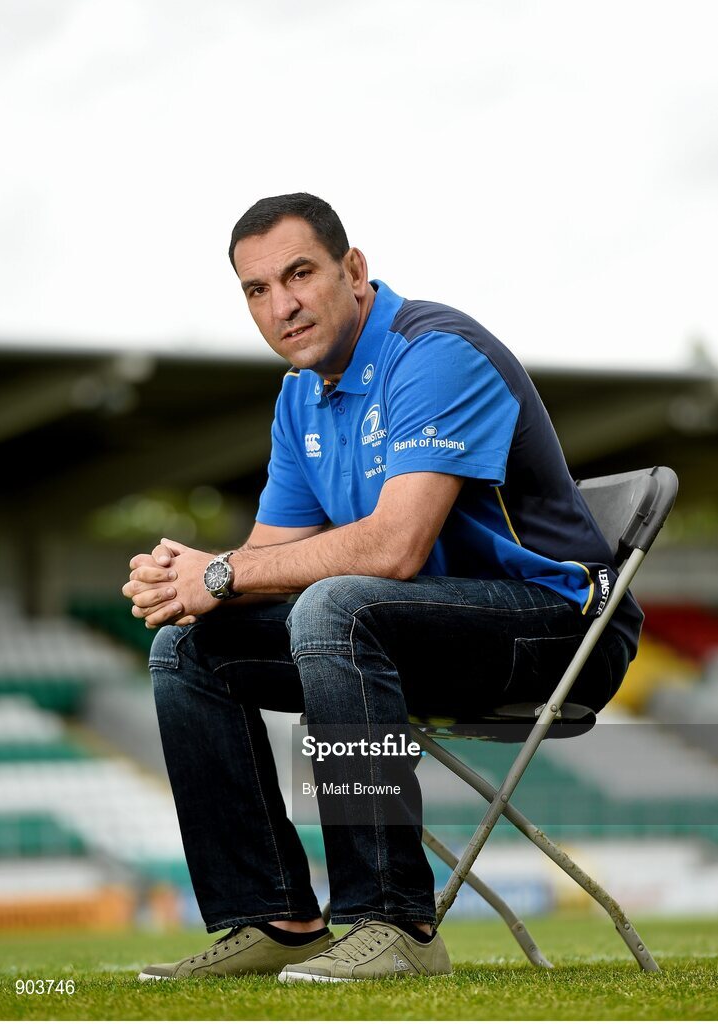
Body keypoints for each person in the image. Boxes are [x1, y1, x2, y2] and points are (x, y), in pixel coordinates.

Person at [122, 193, 642, 982]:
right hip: (408, 630)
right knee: (190, 646)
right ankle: (274, 917)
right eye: (256, 291)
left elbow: (395, 549)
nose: (282, 304)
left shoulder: (434, 351)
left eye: (299, 274)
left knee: (338, 605)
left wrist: (219, 572)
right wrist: (186, 584)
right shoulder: (299, 397)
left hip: (561, 630)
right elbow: (264, 567)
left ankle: (393, 920)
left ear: (353, 269)